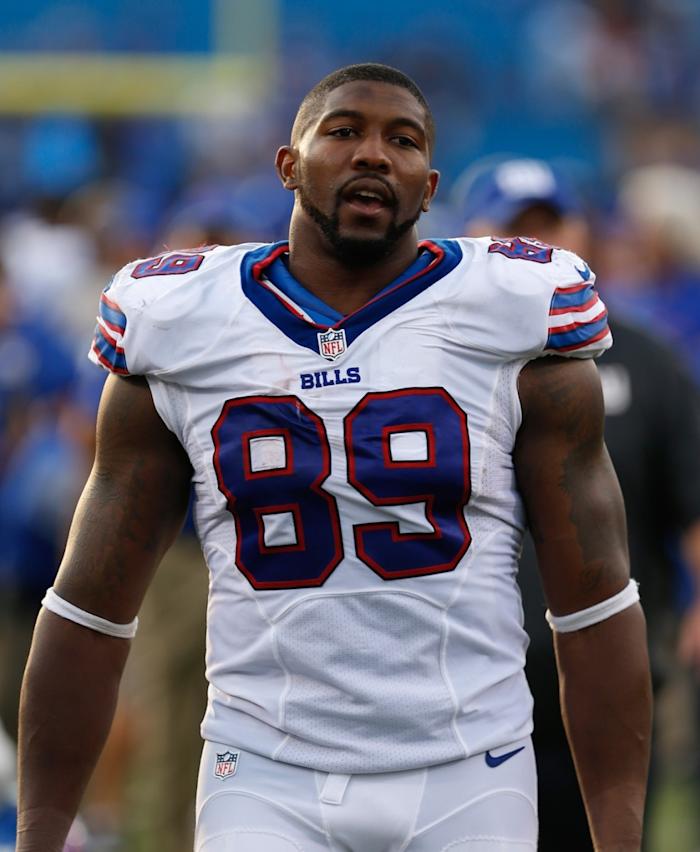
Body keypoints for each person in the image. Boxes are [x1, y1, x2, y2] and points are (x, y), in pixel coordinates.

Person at [17, 64, 651, 852]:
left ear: (429, 186)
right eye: (344, 131)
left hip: (469, 766)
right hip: (263, 769)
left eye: (404, 140)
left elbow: (592, 604)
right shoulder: (177, 321)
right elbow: (90, 608)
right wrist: (40, 835)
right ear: (288, 164)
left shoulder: (512, 314)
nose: (374, 155)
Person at [458, 155, 700, 850]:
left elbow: (692, 495)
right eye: (514, 232)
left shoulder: (647, 358)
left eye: (551, 227)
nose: (538, 249)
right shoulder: (434, 357)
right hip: (469, 677)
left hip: (611, 668)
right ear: (471, 237)